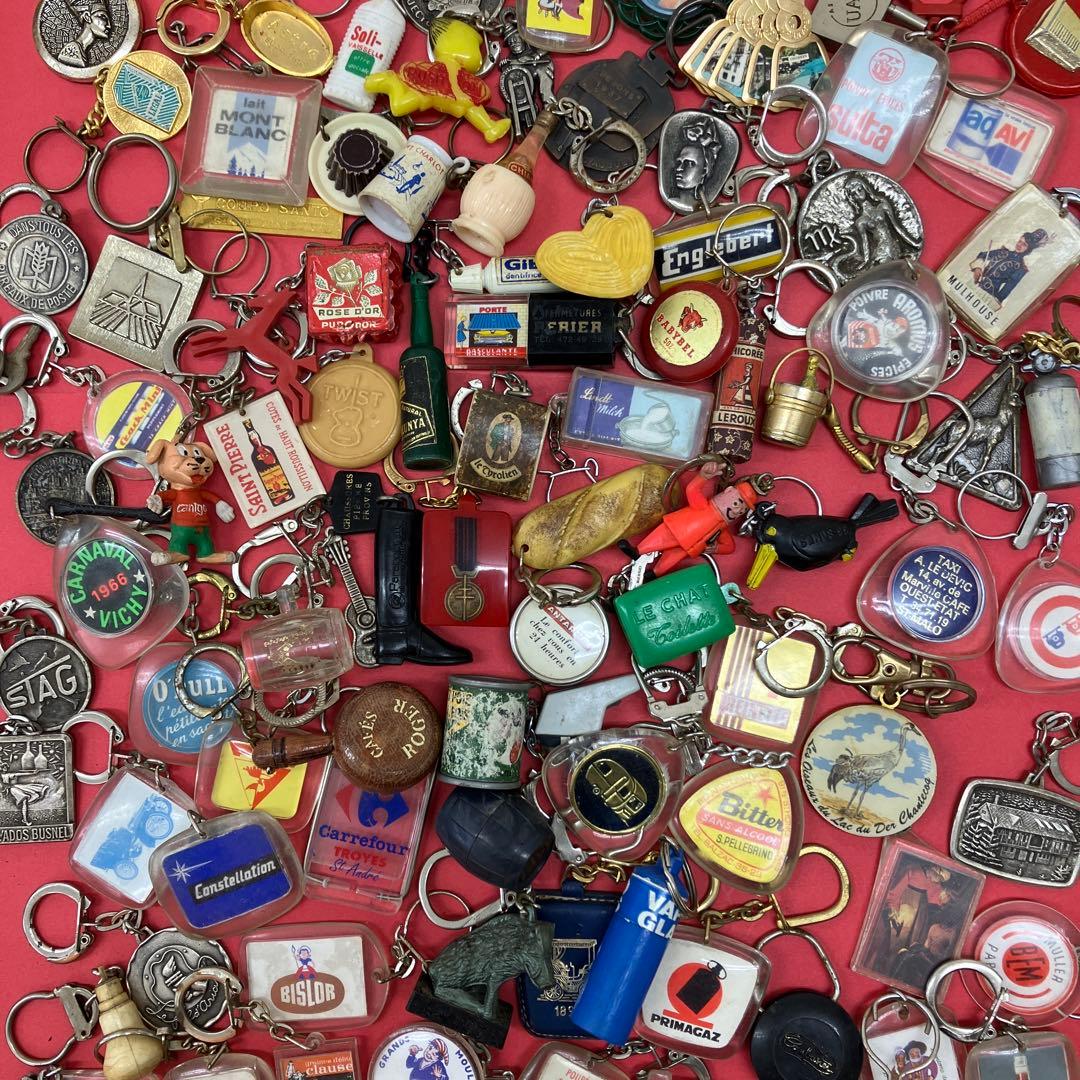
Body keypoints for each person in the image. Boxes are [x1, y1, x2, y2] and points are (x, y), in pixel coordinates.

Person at [970, 229, 1049, 307]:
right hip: (973, 283)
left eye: (1024, 244)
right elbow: (982, 255)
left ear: (1028, 249)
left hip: (987, 294)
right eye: (1020, 241)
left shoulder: (1021, 269)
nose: (1019, 245)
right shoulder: (1004, 251)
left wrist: (991, 303)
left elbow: (1005, 291)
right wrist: (977, 268)